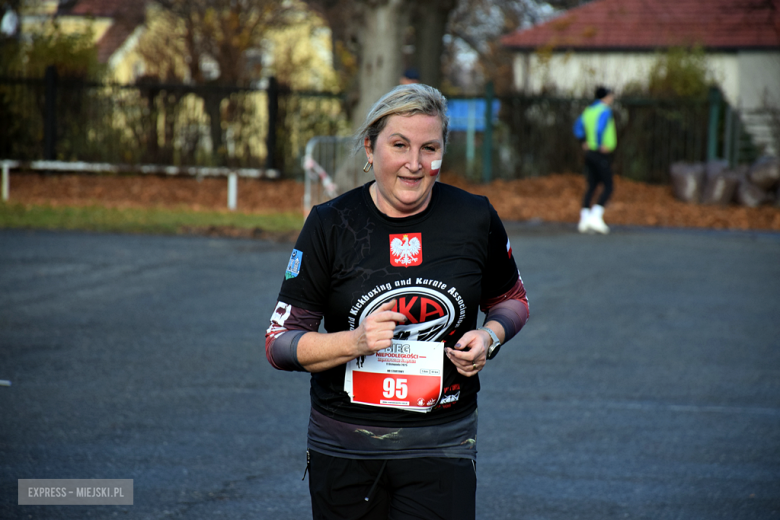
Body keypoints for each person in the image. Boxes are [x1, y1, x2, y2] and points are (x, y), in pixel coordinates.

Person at [265, 83, 529, 520]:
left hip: (443, 444)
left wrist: (489, 336)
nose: (414, 164)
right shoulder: (331, 224)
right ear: (370, 148)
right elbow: (279, 343)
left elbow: (512, 300)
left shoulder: (474, 217)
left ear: (444, 151)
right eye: (399, 145)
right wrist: (353, 342)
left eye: (429, 147)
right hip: (344, 446)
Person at [573, 85, 617, 234]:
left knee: (592, 184)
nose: (612, 98)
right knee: (609, 185)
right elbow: (600, 128)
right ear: (606, 96)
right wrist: (599, 144)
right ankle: (596, 216)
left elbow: (577, 127)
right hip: (599, 152)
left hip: (589, 152)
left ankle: (584, 218)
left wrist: (583, 141)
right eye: (611, 95)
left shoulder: (588, 110)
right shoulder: (604, 110)